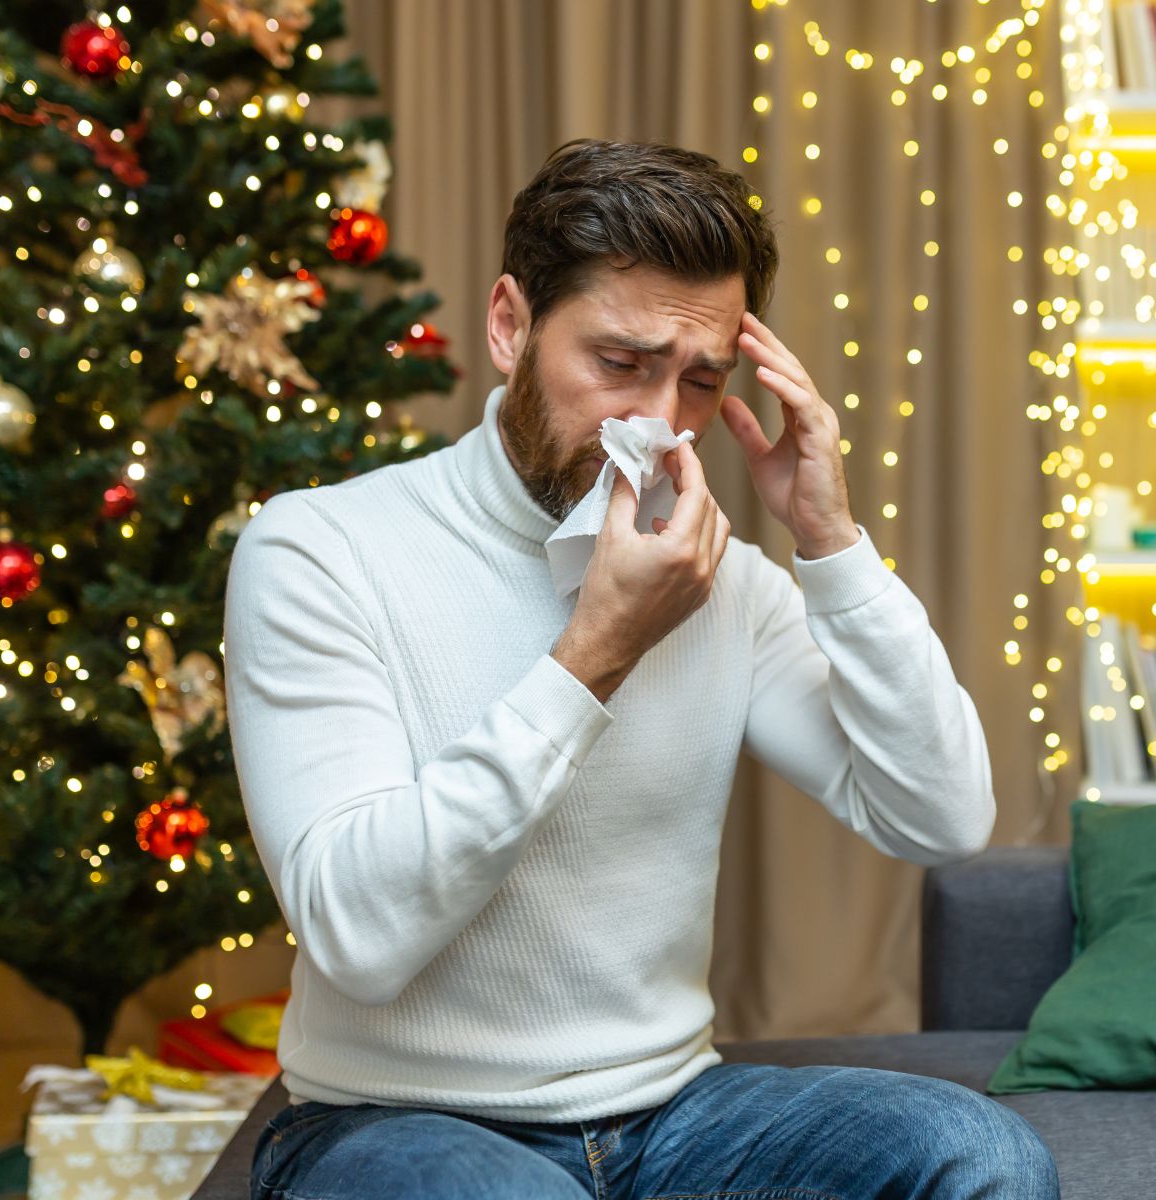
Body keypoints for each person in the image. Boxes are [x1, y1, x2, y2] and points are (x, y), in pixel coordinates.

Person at [224, 138, 1059, 1199]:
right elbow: (359, 936)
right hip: (393, 1122)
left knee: (980, 1155)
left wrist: (831, 545)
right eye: (619, 364)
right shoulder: (320, 549)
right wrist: (592, 658)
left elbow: (939, 819)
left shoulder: (724, 581)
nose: (660, 424)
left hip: (672, 1116)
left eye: (701, 380)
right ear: (509, 325)